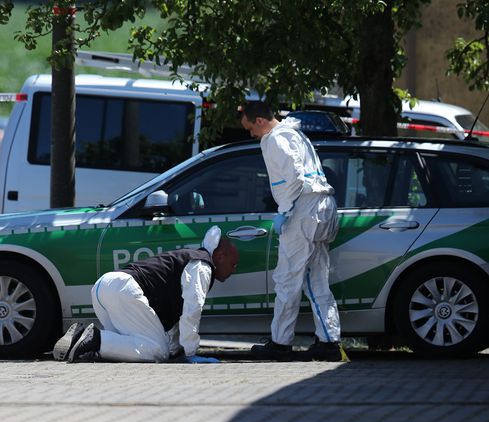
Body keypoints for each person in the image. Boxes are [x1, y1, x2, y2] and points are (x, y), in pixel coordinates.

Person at [240, 101, 345, 362]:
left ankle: (280, 342)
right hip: (322, 207)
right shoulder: (296, 134)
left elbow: (293, 177)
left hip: (302, 210)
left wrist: (285, 210)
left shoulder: (275, 139)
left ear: (260, 121)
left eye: (250, 128)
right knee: (316, 279)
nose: (251, 135)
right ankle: (329, 341)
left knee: (287, 278)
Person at [53, 226, 239, 363]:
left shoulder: (192, 259)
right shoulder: (202, 266)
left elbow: (177, 317)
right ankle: (95, 338)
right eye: (233, 263)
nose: (234, 269)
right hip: (124, 290)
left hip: (104, 287)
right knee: (157, 351)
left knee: (130, 344)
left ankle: (82, 342)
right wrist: (191, 353)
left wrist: (177, 351)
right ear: (220, 256)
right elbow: (192, 310)